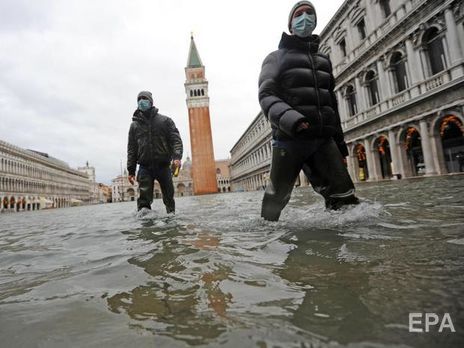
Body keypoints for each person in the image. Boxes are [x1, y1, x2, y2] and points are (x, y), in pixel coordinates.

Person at [258, 1, 359, 221]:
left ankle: (344, 247)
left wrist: (340, 148)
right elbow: (266, 95)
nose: (305, 17)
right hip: (289, 139)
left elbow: (332, 105)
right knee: (275, 202)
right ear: (291, 23)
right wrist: (293, 120)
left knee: (346, 200)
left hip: (323, 140)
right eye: (299, 14)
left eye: (309, 13)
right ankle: (266, 243)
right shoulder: (276, 58)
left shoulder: (323, 61)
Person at [127, 91, 183, 213]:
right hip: (144, 167)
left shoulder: (165, 121)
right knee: (143, 202)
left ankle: (171, 221)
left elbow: (176, 141)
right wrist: (131, 170)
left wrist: (177, 157)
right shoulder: (134, 126)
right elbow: (132, 149)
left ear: (151, 102)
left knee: (169, 198)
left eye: (144, 98)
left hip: (163, 166)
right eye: (139, 99)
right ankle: (146, 227)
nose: (142, 101)